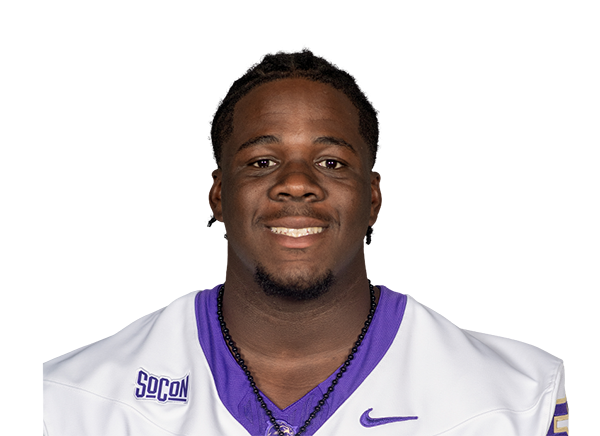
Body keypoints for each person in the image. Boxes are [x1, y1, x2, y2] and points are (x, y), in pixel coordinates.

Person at [42, 53, 568, 436]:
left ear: (372, 197)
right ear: (220, 195)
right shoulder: (64, 404)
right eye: (262, 162)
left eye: (331, 162)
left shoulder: (526, 402)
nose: (296, 183)